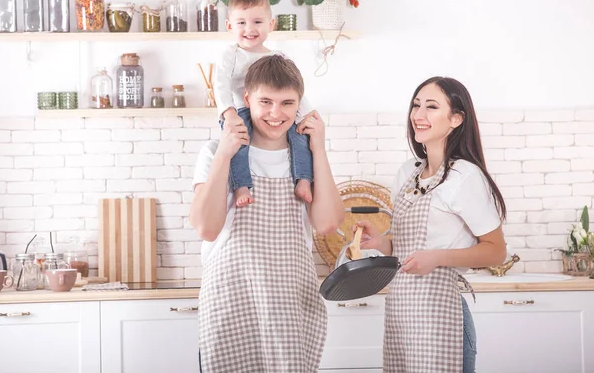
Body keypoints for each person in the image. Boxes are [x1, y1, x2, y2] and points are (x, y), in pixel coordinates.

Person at [190, 54, 345, 372]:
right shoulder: (214, 153)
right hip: (232, 304)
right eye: (266, 102)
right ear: (246, 99)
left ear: (300, 105)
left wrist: (320, 148)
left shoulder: (305, 160)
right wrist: (224, 153)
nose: (276, 114)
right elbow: (206, 228)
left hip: (289, 307)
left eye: (287, 103)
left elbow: (328, 223)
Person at [355, 77, 507, 373]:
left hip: (441, 314)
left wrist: (437, 258)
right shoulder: (408, 172)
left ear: (456, 119)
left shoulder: (464, 176)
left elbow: (496, 251)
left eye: (431, 107)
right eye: (416, 105)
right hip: (402, 313)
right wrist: (382, 244)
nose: (418, 115)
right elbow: (409, 247)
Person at [214, 0, 314, 208]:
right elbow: (220, 84)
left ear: (271, 25)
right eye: (241, 23)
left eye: (257, 22)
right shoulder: (231, 54)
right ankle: (241, 185)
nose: (249, 29)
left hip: (271, 111)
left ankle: (304, 180)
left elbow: (295, 90)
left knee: (301, 138)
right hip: (240, 110)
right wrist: (228, 112)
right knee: (239, 142)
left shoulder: (278, 56)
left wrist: (307, 113)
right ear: (230, 26)